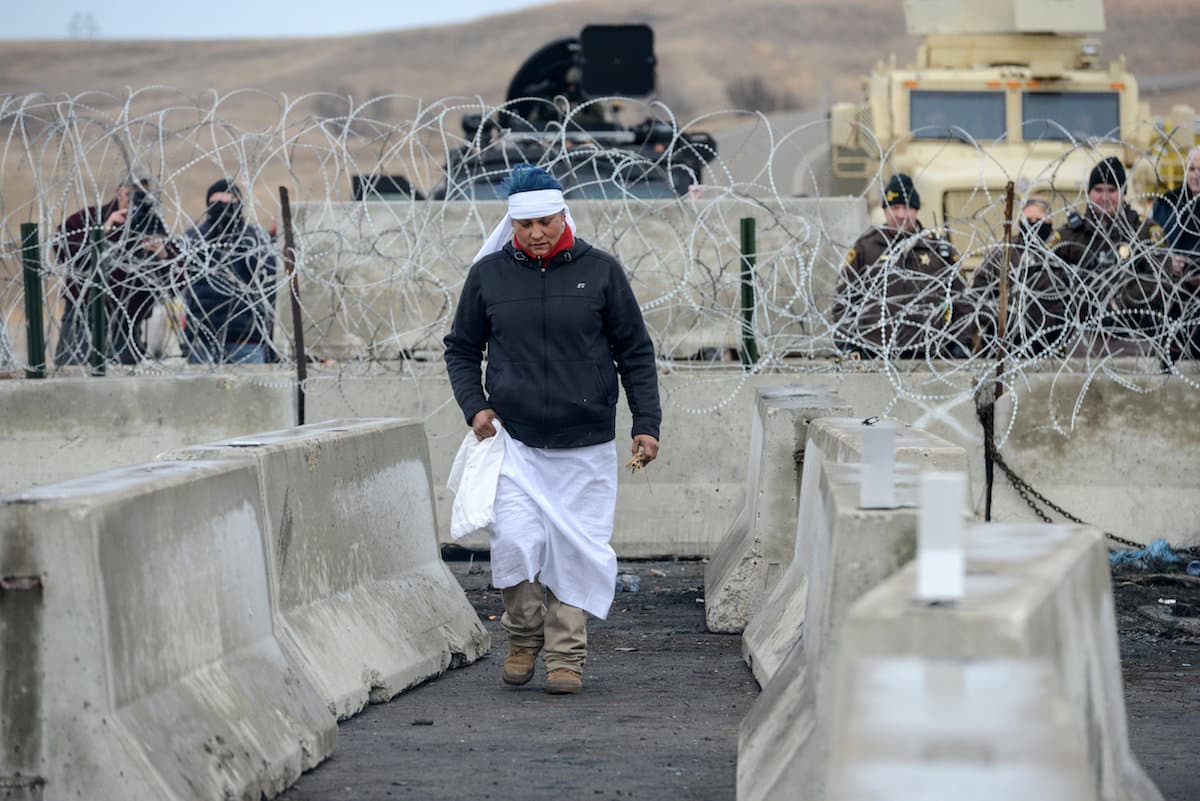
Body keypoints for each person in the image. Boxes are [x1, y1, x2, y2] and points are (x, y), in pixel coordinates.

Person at [444, 163, 661, 695]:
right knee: (516, 542)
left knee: (578, 551)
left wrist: (646, 423)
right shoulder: (489, 276)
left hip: (584, 446)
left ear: (563, 214)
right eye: (526, 226)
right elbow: (462, 348)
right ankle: (522, 637)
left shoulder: (601, 272)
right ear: (512, 227)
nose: (537, 234)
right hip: (514, 443)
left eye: (546, 221)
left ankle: (566, 656)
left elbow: (634, 351)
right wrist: (475, 408)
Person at [832, 173, 971, 358]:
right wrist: (847, 341)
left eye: (907, 208)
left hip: (927, 352)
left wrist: (959, 342)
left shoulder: (939, 250)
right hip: (874, 351)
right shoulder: (866, 247)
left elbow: (962, 301)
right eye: (894, 207)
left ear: (916, 210)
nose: (901, 215)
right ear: (884, 210)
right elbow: (843, 298)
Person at [52, 169, 176, 367]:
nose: (137, 199)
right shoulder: (89, 218)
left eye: (143, 193)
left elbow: (175, 284)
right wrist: (102, 233)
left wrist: (163, 255)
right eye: (132, 192)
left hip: (127, 325)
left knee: (123, 392)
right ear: (119, 191)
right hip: (83, 319)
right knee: (73, 381)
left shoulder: (152, 226)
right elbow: (63, 252)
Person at [1047, 156, 1168, 356]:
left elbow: (1160, 279)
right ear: (1089, 193)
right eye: (1098, 190)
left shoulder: (1144, 232)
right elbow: (1044, 271)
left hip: (1134, 333)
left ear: (1124, 193)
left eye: (1111, 190)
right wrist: (1081, 300)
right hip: (1083, 333)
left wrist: (1118, 303)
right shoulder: (1071, 234)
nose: (1104, 197)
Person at [182, 180, 278, 364]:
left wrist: (240, 243)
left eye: (229, 203)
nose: (223, 209)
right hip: (204, 337)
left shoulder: (254, 239)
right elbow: (179, 274)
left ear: (238, 205)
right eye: (217, 203)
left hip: (246, 337)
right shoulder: (195, 239)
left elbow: (269, 277)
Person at [970, 197, 1069, 358]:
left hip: (1047, 343)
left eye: (1038, 220)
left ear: (1049, 221)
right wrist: (1000, 315)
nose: (1033, 224)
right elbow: (978, 294)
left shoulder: (1059, 252)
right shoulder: (1005, 253)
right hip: (1005, 343)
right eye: (1028, 220)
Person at [1150, 147, 1200, 358]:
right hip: (1172, 290)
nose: (1196, 175)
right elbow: (1151, 244)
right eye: (1192, 169)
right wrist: (1168, 260)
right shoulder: (1166, 203)